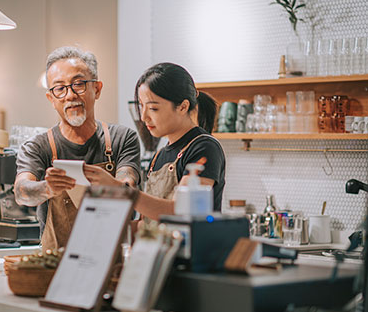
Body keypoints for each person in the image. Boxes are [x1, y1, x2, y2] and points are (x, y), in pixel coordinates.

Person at [14, 46, 141, 250]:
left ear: (97, 89)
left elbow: (128, 187)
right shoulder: (37, 147)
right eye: (59, 88)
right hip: (55, 262)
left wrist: (110, 184)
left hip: (112, 258)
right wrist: (48, 188)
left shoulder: (122, 138)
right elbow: (21, 192)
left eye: (78, 84)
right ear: (51, 99)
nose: (70, 95)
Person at [84, 62, 225, 220]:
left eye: (153, 108)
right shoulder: (158, 156)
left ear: (183, 107)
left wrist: (120, 190)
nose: (143, 117)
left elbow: (181, 211)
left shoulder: (204, 147)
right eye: (141, 106)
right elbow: (146, 224)